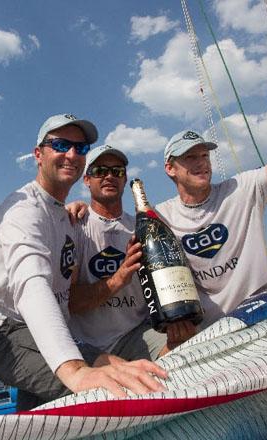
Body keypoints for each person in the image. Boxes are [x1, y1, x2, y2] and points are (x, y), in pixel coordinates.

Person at [0, 114, 167, 411]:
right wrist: (74, 371)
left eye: (80, 147)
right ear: (38, 154)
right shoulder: (23, 211)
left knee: (113, 368)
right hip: (9, 333)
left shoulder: (66, 216)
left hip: (51, 331)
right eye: (61, 144)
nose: (71, 154)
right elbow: (31, 286)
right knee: (107, 389)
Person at [155, 44, 267, 329]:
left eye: (204, 155)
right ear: (170, 169)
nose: (201, 162)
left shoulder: (243, 190)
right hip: (209, 336)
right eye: (190, 157)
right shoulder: (160, 218)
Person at [68, 144, 194, 360]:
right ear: (87, 180)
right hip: (85, 345)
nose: (109, 176)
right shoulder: (74, 225)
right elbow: (72, 302)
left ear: (125, 180)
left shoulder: (141, 227)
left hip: (136, 335)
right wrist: (119, 277)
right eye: (100, 171)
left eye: (117, 171)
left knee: (187, 348)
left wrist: (175, 332)